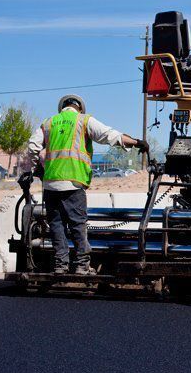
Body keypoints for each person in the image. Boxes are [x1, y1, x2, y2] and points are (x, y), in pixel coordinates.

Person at [26, 94, 148, 275]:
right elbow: (108, 135)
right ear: (79, 108)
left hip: (51, 185)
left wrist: (38, 168)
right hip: (74, 183)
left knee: (57, 226)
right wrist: (136, 142)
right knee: (77, 225)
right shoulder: (83, 120)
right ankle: (81, 266)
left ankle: (61, 266)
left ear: (62, 108)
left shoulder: (49, 123)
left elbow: (32, 146)